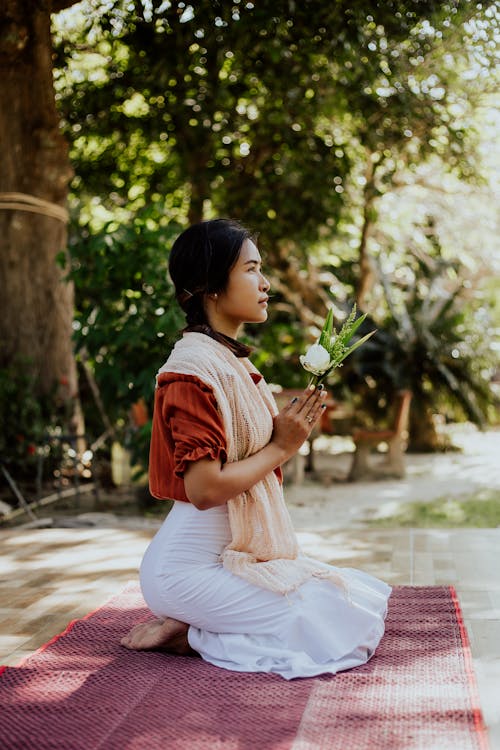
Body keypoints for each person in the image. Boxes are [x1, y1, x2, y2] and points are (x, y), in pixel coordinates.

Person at [121, 219, 391, 679]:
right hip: (183, 573)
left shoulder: (228, 360)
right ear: (211, 286)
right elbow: (205, 490)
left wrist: (286, 424)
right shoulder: (191, 371)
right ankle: (192, 633)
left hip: (231, 559)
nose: (265, 283)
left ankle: (196, 628)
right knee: (333, 629)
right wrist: (282, 446)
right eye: (251, 270)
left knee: (353, 599)